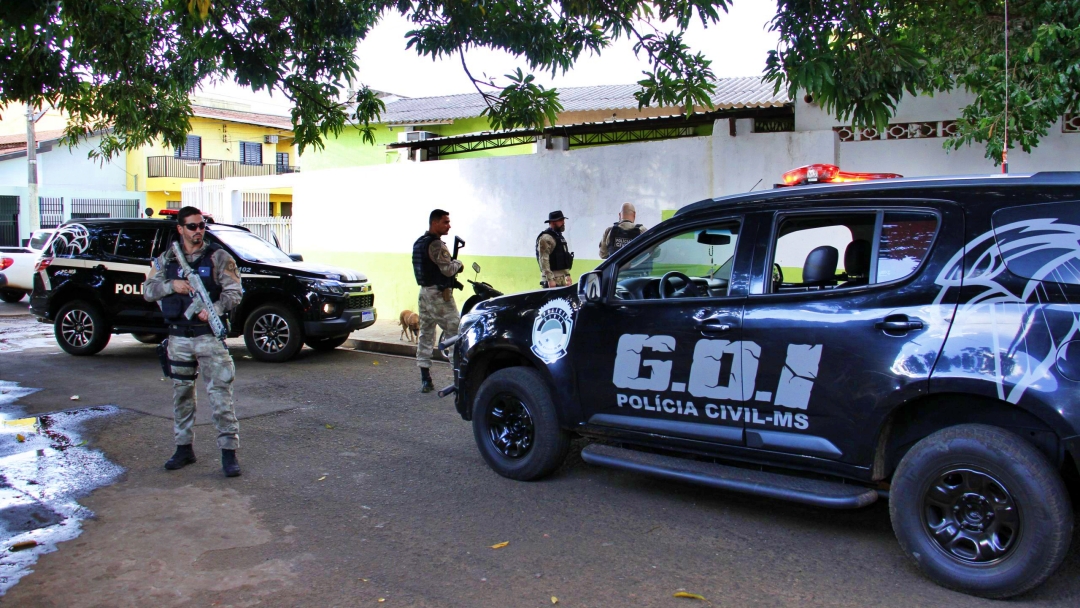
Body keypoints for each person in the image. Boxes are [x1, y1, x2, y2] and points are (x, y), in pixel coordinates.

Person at [143, 206, 244, 477]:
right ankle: (183, 448)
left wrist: (214, 308)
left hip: (208, 336)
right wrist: (171, 286)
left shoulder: (219, 257)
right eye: (192, 226)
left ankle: (228, 453)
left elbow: (235, 293)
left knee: (221, 395)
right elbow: (148, 290)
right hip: (178, 337)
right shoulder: (167, 259)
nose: (198, 231)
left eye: (201, 226)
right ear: (180, 229)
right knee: (182, 396)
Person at [413, 209, 463, 393]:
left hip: (424, 294)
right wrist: (459, 264)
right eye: (445, 222)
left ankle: (425, 378)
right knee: (455, 332)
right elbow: (448, 270)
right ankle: (460, 378)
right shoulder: (436, 245)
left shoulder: (419, 243)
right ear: (435, 223)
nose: (449, 225)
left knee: (426, 333)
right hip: (438, 296)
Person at [536, 210, 574, 288]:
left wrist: (567, 275)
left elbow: (564, 256)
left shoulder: (559, 237)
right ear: (553, 222)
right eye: (560, 220)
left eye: (563, 220)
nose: (563, 222)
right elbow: (544, 260)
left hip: (561, 278)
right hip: (552, 279)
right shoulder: (546, 238)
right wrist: (550, 279)